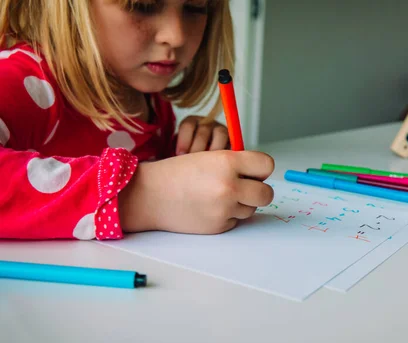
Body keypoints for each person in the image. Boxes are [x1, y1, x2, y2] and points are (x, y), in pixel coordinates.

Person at [0, 0, 275, 241]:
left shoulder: (149, 98)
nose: (175, 36)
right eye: (140, 5)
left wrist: (192, 153)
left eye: (195, 7)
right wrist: (144, 196)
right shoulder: (24, 80)